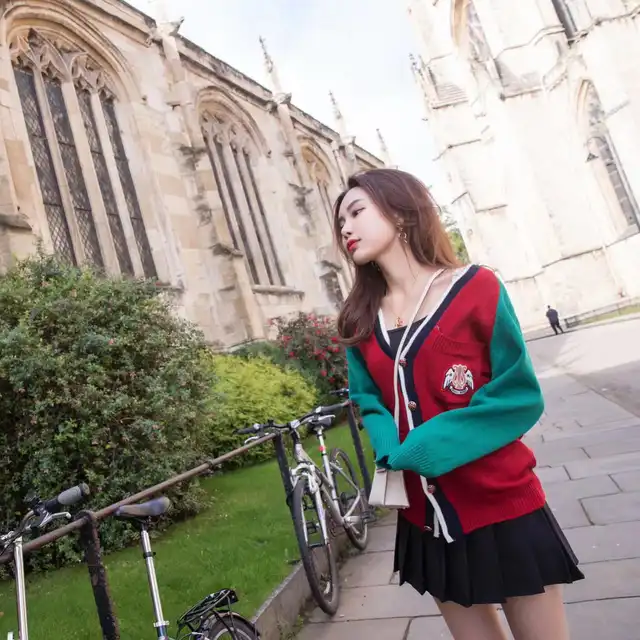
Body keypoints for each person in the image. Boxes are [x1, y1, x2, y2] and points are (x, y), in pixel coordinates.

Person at [334, 168, 583, 640]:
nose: (345, 228)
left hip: (500, 501)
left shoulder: (476, 287)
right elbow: (367, 397)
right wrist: (389, 446)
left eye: (357, 211)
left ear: (401, 212)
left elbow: (517, 392)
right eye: (340, 221)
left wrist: (435, 442)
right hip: (424, 518)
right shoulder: (358, 318)